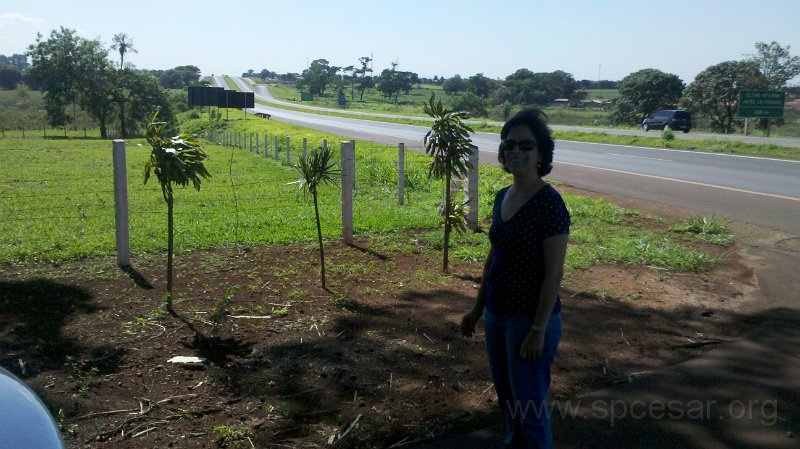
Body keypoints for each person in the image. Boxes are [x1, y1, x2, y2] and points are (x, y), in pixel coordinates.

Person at [461, 109, 570, 449]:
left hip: (529, 322)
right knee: (508, 401)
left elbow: (554, 274)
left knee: (530, 406)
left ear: (541, 153)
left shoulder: (550, 204)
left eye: (526, 145)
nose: (516, 151)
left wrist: (538, 329)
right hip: (497, 315)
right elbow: (496, 254)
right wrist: (478, 308)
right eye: (509, 145)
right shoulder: (501, 197)